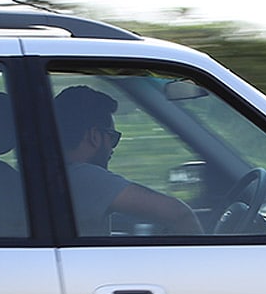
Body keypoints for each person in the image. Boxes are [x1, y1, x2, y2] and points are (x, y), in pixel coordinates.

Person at [53, 85, 203, 236]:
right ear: (94, 136)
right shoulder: (84, 177)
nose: (112, 149)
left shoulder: (55, 176)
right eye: (113, 137)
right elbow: (180, 215)